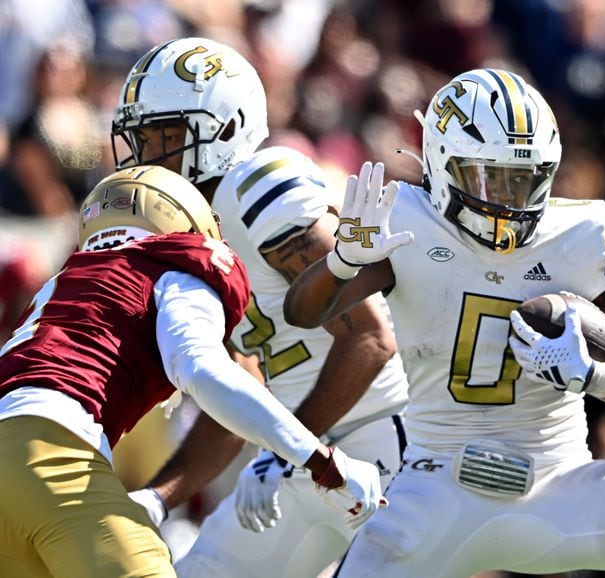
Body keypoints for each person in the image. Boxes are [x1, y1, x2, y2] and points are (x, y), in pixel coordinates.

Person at [283, 68, 605, 577]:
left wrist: (593, 376)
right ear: (444, 166)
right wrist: (343, 262)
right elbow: (302, 311)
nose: (508, 199)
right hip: (437, 483)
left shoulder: (582, 236)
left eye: (523, 178)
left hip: (558, 479)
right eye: (489, 177)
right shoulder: (403, 221)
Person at [111, 37, 408, 577]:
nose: (149, 158)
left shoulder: (255, 188)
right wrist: (157, 498)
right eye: (142, 139)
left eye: (168, 137)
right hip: (308, 451)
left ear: (225, 129)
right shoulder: (193, 230)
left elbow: (370, 339)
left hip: (387, 439)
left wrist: (288, 451)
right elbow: (240, 392)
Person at [0, 165, 384, 578]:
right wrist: (322, 462)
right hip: (50, 452)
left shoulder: (63, 282)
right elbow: (203, 370)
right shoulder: (172, 268)